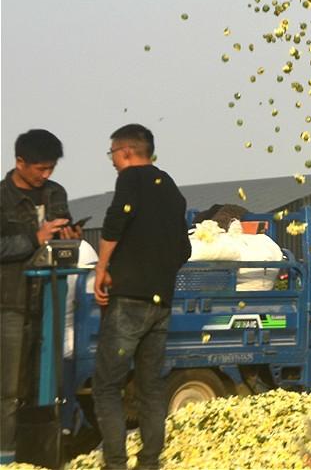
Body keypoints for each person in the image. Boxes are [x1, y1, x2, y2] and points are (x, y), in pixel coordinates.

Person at [91, 125, 190, 470]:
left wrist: (102, 268)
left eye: (113, 155)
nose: (113, 163)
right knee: (150, 388)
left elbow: (115, 222)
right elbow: (184, 249)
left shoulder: (130, 180)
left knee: (107, 385)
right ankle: (150, 463)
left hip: (129, 301)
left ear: (126, 152)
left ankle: (115, 463)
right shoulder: (172, 190)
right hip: (161, 304)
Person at [1, 129, 78, 467]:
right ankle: (6, 455)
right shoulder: (2, 197)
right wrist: (35, 237)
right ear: (20, 162)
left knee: (44, 386)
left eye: (51, 168)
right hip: (10, 303)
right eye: (40, 169)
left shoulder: (55, 192)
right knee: (7, 388)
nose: (46, 175)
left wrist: (68, 237)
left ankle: (39, 457)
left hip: (50, 300)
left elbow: (63, 237)